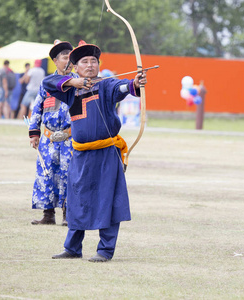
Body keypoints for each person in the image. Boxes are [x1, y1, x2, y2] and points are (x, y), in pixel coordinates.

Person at [43, 40, 147, 262]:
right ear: (76, 67)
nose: (90, 65)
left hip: (106, 153)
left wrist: (136, 83)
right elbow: (48, 82)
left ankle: (105, 250)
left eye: (93, 61)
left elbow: (123, 87)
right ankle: (72, 248)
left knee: (107, 199)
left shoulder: (106, 85)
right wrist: (75, 82)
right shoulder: (71, 91)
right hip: (80, 154)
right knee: (77, 199)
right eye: (84, 61)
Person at [28, 40, 77, 226]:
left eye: (70, 58)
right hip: (48, 138)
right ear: (55, 61)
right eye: (64, 58)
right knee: (46, 174)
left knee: (68, 175)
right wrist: (34, 132)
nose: (68, 62)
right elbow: (37, 108)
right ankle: (48, 215)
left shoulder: (78, 82)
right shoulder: (47, 83)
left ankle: (68, 215)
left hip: (70, 137)